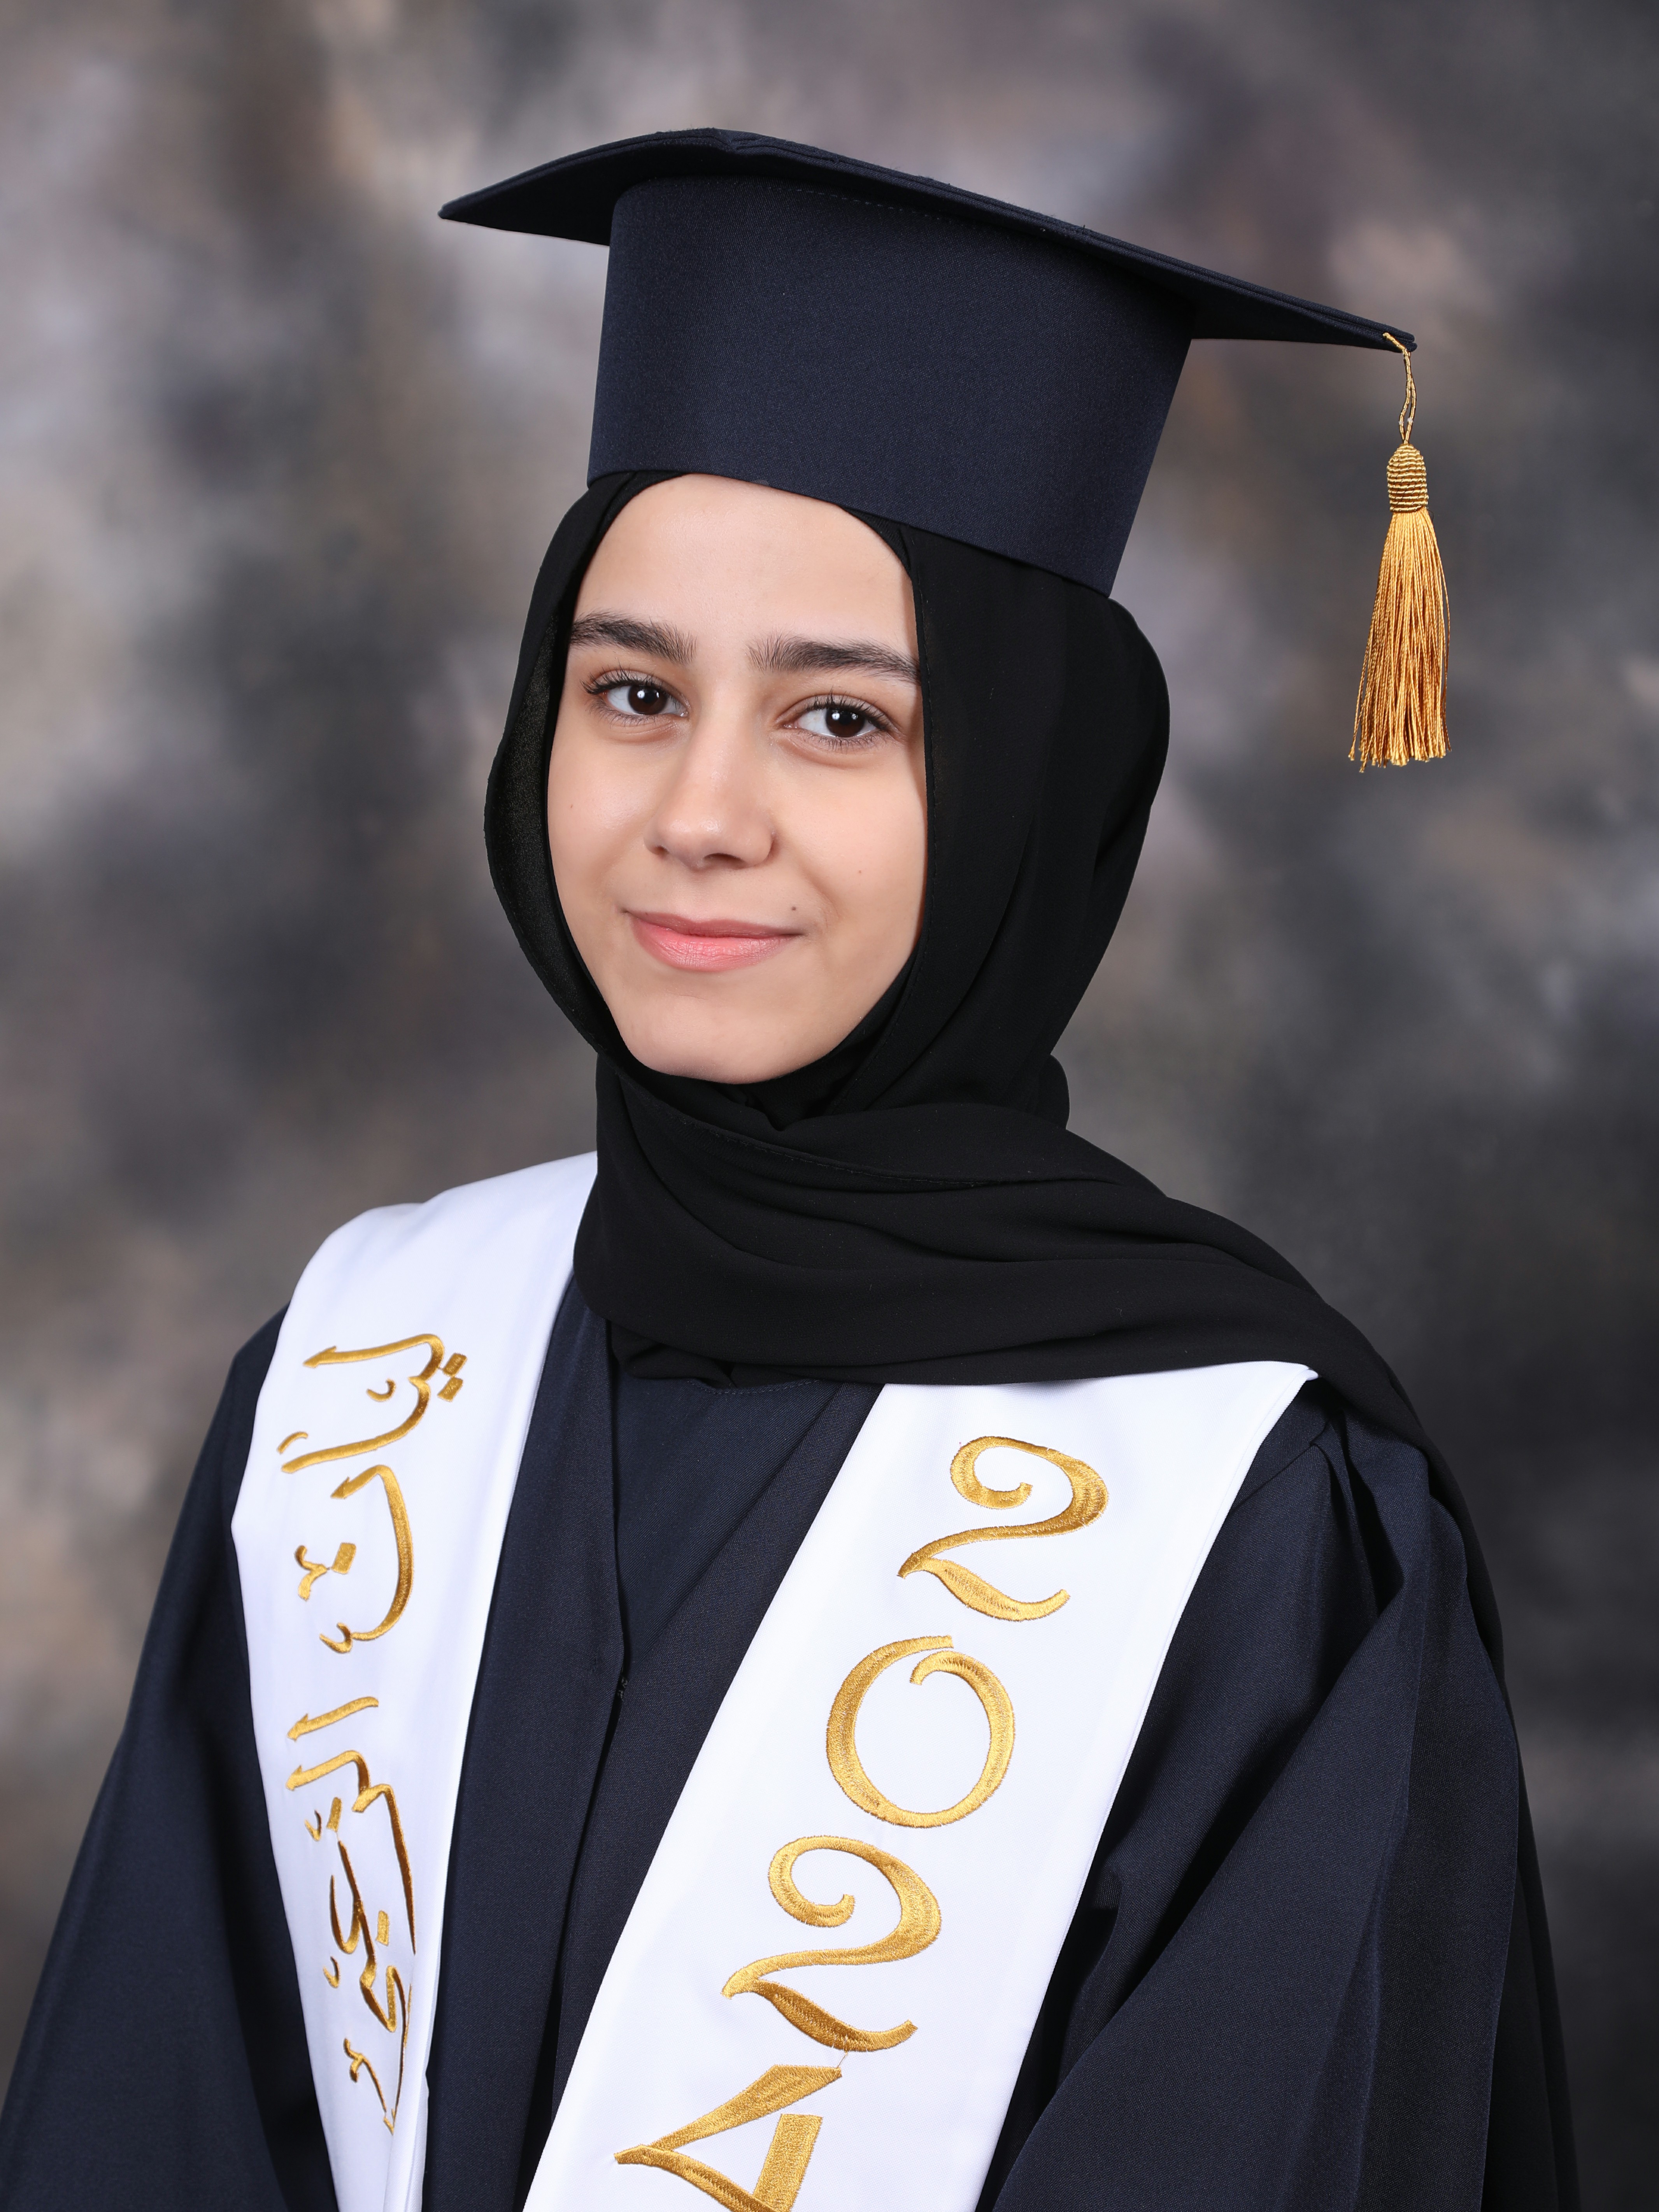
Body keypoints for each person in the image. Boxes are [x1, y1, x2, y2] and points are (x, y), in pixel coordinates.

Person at [0, 130, 1575, 2212]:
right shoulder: (359, 1371)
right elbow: (155, 2110)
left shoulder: (1255, 1517)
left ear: (1027, 786)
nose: (698, 812)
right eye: (633, 691)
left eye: (840, 721)